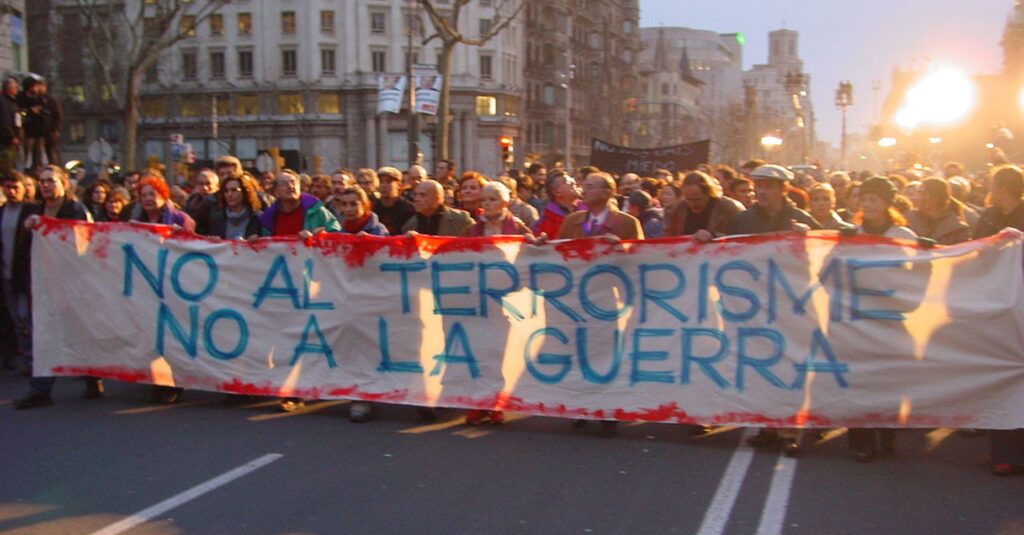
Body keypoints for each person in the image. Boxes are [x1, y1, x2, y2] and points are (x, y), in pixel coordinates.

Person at [726, 164, 820, 456]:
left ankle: (790, 429)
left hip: (792, 305)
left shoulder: (801, 220)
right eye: (758, 185)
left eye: (768, 185)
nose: (761, 191)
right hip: (755, 304)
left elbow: (823, 257)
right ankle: (767, 425)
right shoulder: (743, 220)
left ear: (783, 189)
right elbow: (727, 252)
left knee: (791, 365)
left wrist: (810, 237)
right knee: (761, 364)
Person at [14, 165, 101, 409]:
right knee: (44, 334)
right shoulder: (34, 210)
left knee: (79, 333)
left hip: (72, 284)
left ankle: (92, 377)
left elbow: (86, 244)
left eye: (51, 180)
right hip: (43, 284)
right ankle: (41, 390)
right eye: (42, 181)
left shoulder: (75, 209)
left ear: (63, 183)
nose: (45, 185)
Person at [847, 176, 918, 462]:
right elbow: (830, 272)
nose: (867, 203)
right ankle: (862, 440)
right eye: (863, 198)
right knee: (859, 379)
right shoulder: (850, 235)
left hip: (892, 319)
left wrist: (908, 302)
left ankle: (887, 432)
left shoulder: (905, 237)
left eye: (873, 198)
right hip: (858, 320)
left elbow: (921, 275)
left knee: (890, 377)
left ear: (887, 203)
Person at [258, 169, 341, 412]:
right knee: (283, 338)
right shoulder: (268, 218)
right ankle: (286, 387)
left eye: (294, 182)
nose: (291, 187)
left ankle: (297, 389)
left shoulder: (315, 211)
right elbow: (263, 245)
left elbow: (336, 232)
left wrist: (319, 234)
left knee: (303, 338)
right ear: (276, 192)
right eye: (284, 184)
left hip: (310, 282)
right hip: (280, 285)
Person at [972, 165, 1024, 475]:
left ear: (1003, 187)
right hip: (996, 306)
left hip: (1020, 302)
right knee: (1004, 372)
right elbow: (975, 250)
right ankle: (1004, 452)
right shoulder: (988, 216)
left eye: (993, 184)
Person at [0, 172, 35, 373]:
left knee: (25, 317)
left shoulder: (32, 211)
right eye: (8, 188)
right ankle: (23, 355)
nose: (12, 192)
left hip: (25, 276)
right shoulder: (1, 212)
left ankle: (32, 360)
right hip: (6, 275)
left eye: (16, 188)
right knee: (14, 318)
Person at [665, 170, 744, 240]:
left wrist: (714, 236)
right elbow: (669, 236)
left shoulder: (729, 207)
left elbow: (742, 237)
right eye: (688, 199)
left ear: (709, 193)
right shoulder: (679, 208)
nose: (692, 204)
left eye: (697, 199)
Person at [195, 173, 263, 240]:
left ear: (245, 192)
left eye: (234, 190)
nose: (229, 194)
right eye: (226, 191)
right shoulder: (217, 218)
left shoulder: (257, 218)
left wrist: (258, 240)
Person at [904, 178, 970, 245]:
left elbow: (962, 252)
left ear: (936, 197)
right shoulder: (908, 219)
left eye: (922, 193)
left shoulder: (957, 228)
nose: (917, 197)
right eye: (917, 193)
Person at [402, 179, 474, 236]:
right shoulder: (411, 225)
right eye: (416, 195)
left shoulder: (461, 220)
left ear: (438, 199)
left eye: (423, 195)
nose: (416, 199)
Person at [533, 170, 582, 238]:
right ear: (557, 191)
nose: (573, 183)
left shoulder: (590, 209)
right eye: (567, 181)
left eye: (571, 179)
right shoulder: (545, 223)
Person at [372, 167, 415, 235]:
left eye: (388, 182)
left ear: (399, 185)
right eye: (381, 182)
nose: (384, 186)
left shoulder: (408, 208)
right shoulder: (372, 208)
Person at [0, 77, 21, 173]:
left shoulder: (13, 102)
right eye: (15, 87)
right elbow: (5, 120)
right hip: (6, 140)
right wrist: (11, 136)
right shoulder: (4, 102)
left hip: (13, 136)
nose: (17, 89)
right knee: (6, 163)